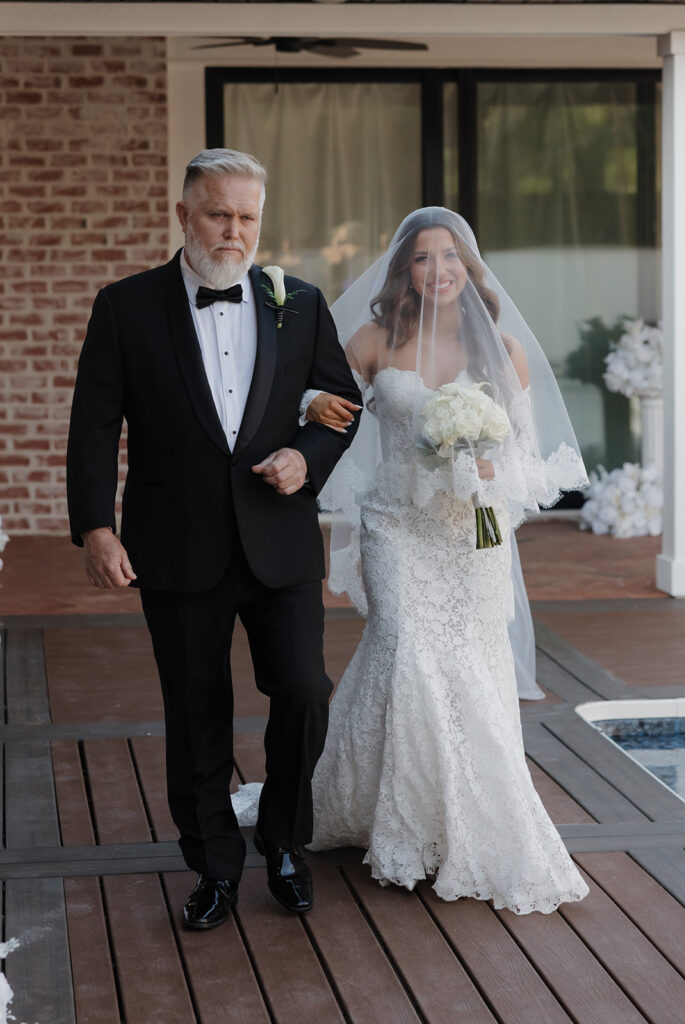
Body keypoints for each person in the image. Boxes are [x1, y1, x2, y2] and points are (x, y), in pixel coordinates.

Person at [66, 149, 361, 928]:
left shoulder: (298, 300)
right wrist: (96, 527)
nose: (234, 231)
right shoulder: (125, 306)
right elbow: (94, 425)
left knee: (304, 689)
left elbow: (340, 400)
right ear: (184, 215)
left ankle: (286, 844)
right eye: (218, 214)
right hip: (175, 543)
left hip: (281, 540)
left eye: (247, 217)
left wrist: (308, 456)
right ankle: (215, 868)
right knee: (196, 710)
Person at [304, 207, 590, 910]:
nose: (439, 270)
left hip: (471, 537)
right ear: (404, 269)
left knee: (468, 662)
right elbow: (320, 404)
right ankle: (394, 821)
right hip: (396, 526)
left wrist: (490, 477)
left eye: (451, 257)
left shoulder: (503, 350)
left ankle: (461, 822)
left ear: (471, 268)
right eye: (424, 258)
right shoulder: (372, 340)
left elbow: (529, 463)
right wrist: (313, 401)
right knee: (402, 646)